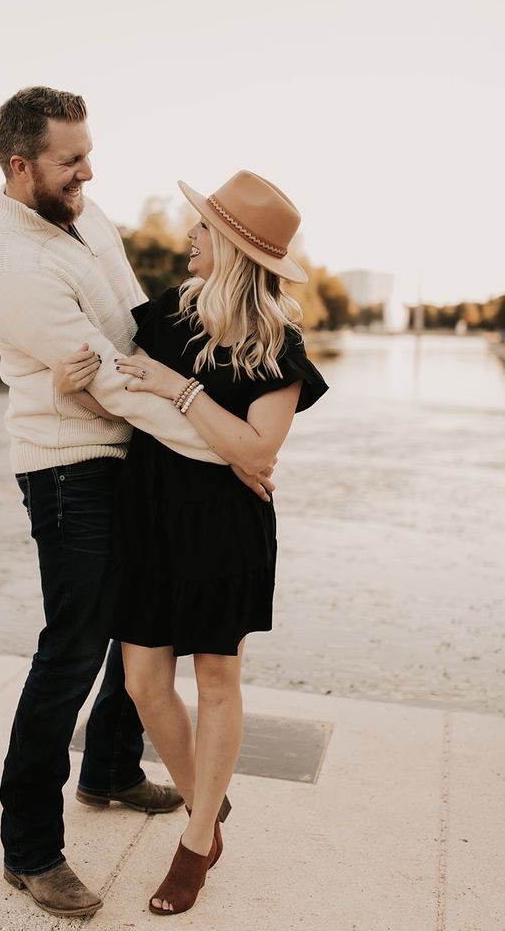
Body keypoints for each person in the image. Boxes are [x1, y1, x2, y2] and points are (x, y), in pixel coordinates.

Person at [0, 89, 278, 919]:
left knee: (136, 618)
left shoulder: (85, 209)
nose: (89, 170)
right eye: (71, 159)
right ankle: (29, 846)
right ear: (20, 164)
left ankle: (109, 768)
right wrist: (227, 451)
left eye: (88, 151)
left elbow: (135, 328)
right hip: (70, 468)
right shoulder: (15, 268)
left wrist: (198, 401)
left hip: (129, 455)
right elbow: (118, 387)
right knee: (71, 649)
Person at [55, 169, 328, 916]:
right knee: (144, 683)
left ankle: (196, 837)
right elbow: (117, 400)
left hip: (223, 532)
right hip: (147, 518)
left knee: (215, 680)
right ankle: (211, 809)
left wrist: (180, 390)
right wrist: (66, 383)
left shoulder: (280, 348)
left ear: (234, 249)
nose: (189, 236)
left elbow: (256, 453)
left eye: (202, 228)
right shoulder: (161, 321)